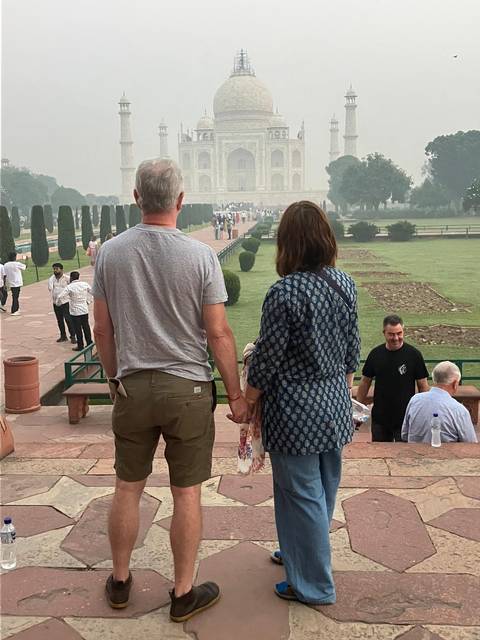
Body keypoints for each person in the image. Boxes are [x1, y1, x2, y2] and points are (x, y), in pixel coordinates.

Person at [92, 158, 249, 621]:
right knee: (186, 494)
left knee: (127, 487)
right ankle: (182, 594)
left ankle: (120, 581)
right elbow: (219, 334)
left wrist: (114, 375)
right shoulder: (200, 255)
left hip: (134, 387)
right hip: (189, 390)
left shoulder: (111, 253)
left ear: (137, 198)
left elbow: (102, 329)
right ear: (181, 201)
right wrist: (236, 395)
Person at [244, 201, 360, 605]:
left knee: (302, 493)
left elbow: (268, 358)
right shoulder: (344, 283)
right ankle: (300, 552)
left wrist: (247, 403)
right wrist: (340, 392)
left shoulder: (285, 292)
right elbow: (352, 352)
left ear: (287, 242)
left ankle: (313, 585)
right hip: (333, 401)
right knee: (320, 489)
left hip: (295, 409)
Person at [357, 315, 429, 442]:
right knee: (379, 455)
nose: (396, 338)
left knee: (404, 456)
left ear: (403, 331)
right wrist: (358, 410)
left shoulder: (414, 355)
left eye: (399, 333)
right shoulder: (375, 354)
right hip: (380, 418)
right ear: (384, 333)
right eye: (391, 334)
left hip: (406, 417)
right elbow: (365, 382)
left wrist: (426, 411)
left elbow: (423, 385)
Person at [402, 361, 477, 443]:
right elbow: (470, 443)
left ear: (434, 379)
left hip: (413, 454)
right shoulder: (459, 410)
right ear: (455, 384)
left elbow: (404, 435)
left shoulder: (414, 400)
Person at [58, 271, 92, 351]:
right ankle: (89, 343)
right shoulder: (84, 284)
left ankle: (80, 345)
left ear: (71, 278)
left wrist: (59, 303)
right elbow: (93, 293)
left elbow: (60, 296)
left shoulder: (69, 287)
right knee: (86, 326)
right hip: (84, 309)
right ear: (78, 277)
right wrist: (89, 301)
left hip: (75, 311)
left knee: (77, 328)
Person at [48, 263, 76, 343]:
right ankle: (63, 336)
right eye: (54, 269)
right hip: (56, 302)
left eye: (57, 269)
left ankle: (73, 336)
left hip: (66, 302)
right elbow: (50, 288)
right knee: (59, 320)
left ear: (61, 269)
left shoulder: (67, 278)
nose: (55, 270)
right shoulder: (51, 279)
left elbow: (72, 289)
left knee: (68, 319)